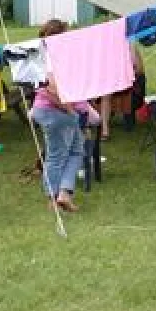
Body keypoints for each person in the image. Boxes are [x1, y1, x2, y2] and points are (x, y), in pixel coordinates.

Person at [28, 19, 99, 213]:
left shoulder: (47, 55)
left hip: (54, 111)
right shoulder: (49, 57)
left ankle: (64, 194)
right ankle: (53, 198)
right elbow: (49, 87)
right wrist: (68, 108)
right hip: (55, 112)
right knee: (57, 156)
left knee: (76, 151)